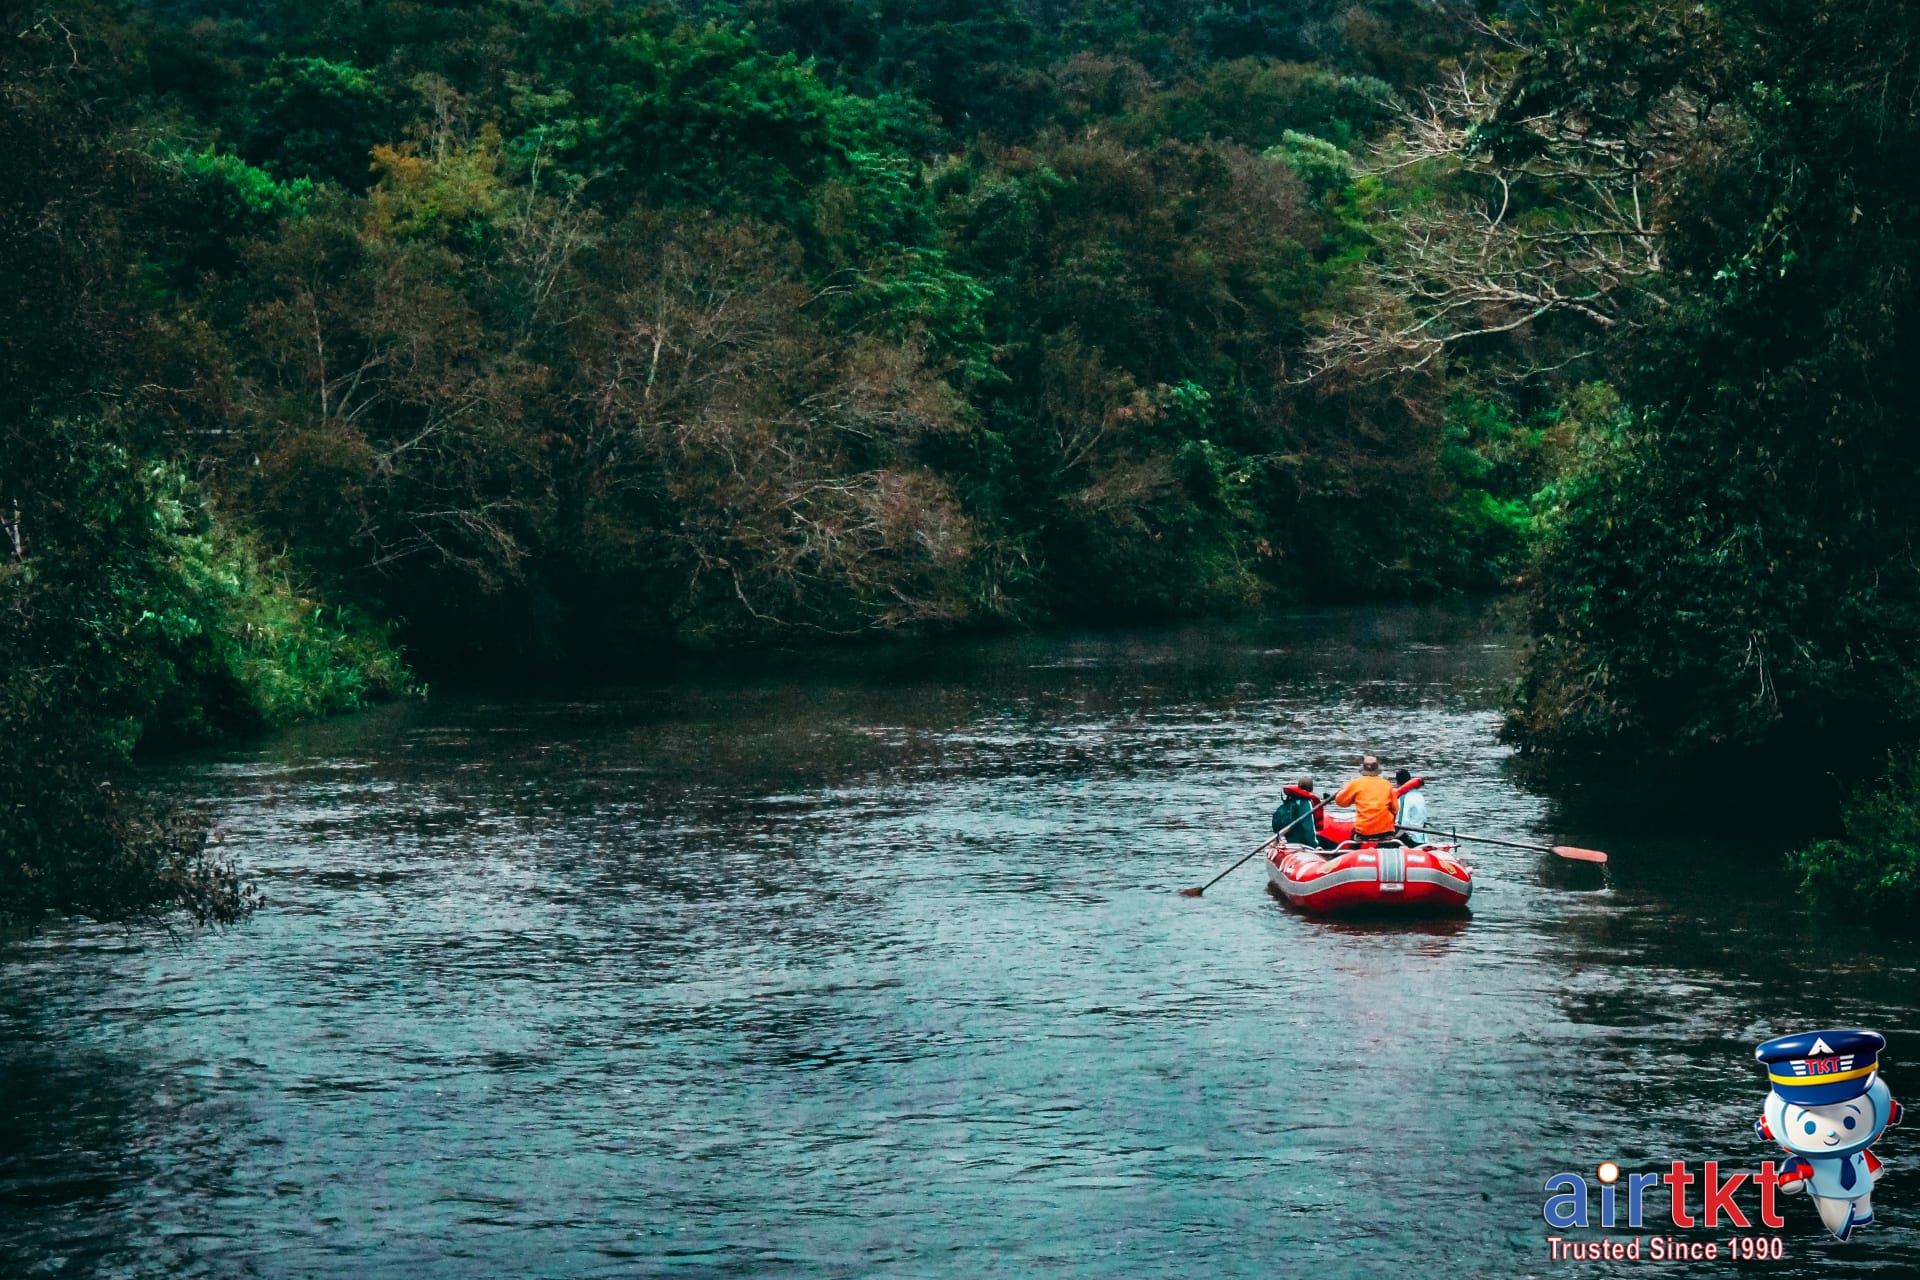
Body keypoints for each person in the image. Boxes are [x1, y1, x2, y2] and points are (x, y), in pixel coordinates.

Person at [1334, 754, 1399, 845]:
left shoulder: (1356, 783)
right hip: (1386, 830)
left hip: (1364, 830)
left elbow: (1341, 802)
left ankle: (1352, 854)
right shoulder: (1387, 784)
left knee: (1354, 838)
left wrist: (1345, 789)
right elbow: (1395, 809)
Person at [1272, 776, 1329, 847]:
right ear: (1311, 788)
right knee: (1330, 844)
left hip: (1289, 838)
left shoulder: (1291, 799)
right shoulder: (1306, 803)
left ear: (1299, 786)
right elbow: (1308, 827)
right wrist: (1315, 845)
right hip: (1300, 841)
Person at [1395, 767, 1429, 843]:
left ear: (1397, 782)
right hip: (1422, 837)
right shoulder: (1418, 794)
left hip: (1411, 839)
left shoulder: (1403, 797)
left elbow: (1402, 823)